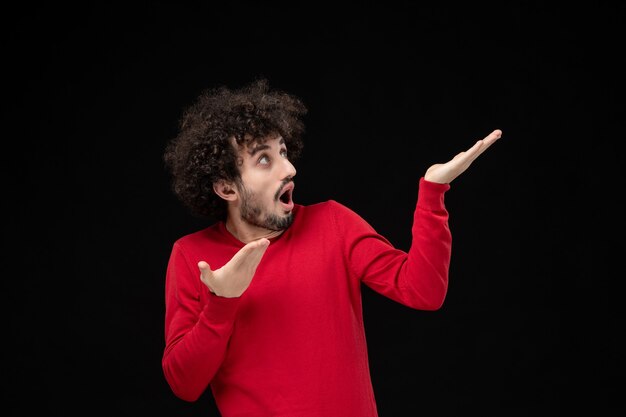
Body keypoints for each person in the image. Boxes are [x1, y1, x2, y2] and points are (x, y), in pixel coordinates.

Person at [161, 78, 501, 417]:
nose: (289, 168)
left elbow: (423, 290)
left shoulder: (333, 224)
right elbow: (184, 385)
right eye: (264, 160)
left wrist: (433, 192)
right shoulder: (192, 256)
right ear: (226, 189)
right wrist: (222, 303)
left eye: (283, 151)